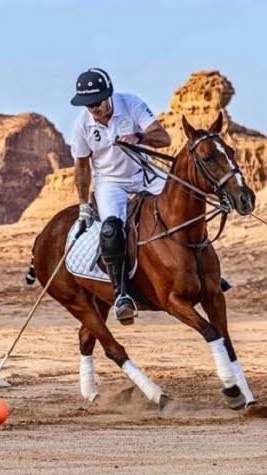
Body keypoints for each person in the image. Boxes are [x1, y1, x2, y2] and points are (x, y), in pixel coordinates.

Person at [69, 68, 171, 325]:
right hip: (110, 182)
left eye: (97, 103)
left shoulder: (131, 103)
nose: (93, 109)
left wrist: (140, 136)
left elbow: (164, 138)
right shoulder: (82, 124)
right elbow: (81, 166)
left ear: (108, 96)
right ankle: (122, 295)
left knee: (180, 206)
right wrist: (83, 205)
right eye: (88, 105)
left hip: (143, 173)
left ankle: (204, 269)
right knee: (112, 230)